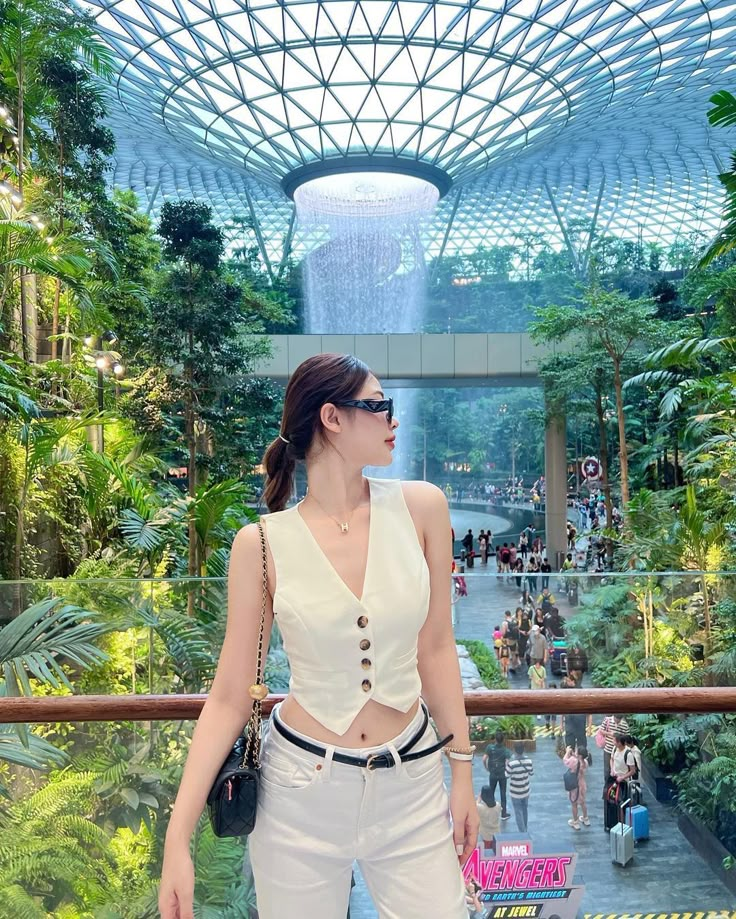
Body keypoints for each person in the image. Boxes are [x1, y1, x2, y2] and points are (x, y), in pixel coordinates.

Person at [158, 353, 476, 919]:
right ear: (332, 417)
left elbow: (436, 650)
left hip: (412, 782)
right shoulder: (260, 545)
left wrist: (462, 770)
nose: (392, 419)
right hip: (299, 792)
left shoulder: (423, 508)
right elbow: (232, 696)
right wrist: (177, 838)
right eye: (379, 406)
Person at [505, 743, 534, 833]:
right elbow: (531, 773)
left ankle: (522, 832)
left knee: (518, 812)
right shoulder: (529, 761)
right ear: (523, 750)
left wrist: (506, 765)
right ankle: (525, 827)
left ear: (514, 750)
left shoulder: (511, 764)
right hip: (525, 790)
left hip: (515, 792)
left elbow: (506, 775)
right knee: (525, 809)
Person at [483, 731, 511, 820]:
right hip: (502, 775)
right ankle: (503, 813)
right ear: (503, 740)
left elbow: (484, 759)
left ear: (495, 739)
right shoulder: (506, 751)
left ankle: (490, 813)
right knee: (503, 793)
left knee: (491, 792)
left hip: (493, 774)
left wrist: (487, 768)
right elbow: (507, 763)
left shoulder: (490, 748)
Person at [563, 745, 591, 830]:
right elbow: (578, 760)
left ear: (579, 755)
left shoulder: (574, 761)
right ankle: (585, 818)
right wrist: (574, 755)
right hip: (582, 784)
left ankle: (575, 821)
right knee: (582, 802)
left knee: (574, 804)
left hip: (575, 786)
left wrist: (567, 752)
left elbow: (565, 761)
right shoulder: (585, 762)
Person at [600, 713, 630, 782]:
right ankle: (607, 786)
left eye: (619, 721)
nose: (617, 722)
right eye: (616, 720)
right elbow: (601, 731)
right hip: (608, 749)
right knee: (607, 770)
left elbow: (627, 737)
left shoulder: (624, 725)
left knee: (617, 770)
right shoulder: (607, 720)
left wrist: (620, 737)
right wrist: (609, 733)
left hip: (619, 751)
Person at [476, 784, 501, 851]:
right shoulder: (498, 805)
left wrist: (479, 798)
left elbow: (475, 805)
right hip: (496, 835)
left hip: (485, 836)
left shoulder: (480, 808)